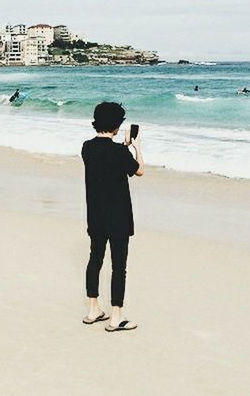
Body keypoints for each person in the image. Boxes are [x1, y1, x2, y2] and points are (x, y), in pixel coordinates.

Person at [81, 102, 144, 332]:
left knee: (95, 260)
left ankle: (93, 309)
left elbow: (104, 157)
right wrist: (135, 146)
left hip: (95, 215)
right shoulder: (120, 152)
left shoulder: (86, 148)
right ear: (117, 126)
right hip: (118, 218)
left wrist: (123, 147)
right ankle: (116, 317)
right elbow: (139, 170)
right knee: (119, 266)